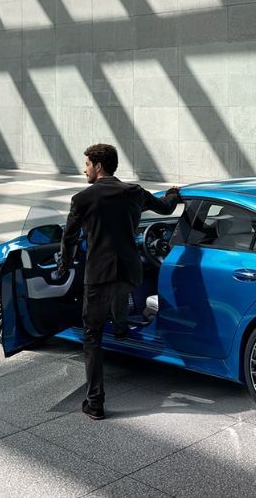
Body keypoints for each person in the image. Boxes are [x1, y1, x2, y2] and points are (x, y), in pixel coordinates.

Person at [57, 143, 180, 420]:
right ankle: (122, 327)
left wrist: (64, 264)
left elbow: (69, 238)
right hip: (129, 271)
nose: (84, 169)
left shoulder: (82, 199)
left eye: (86, 164)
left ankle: (95, 402)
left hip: (99, 274)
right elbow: (164, 208)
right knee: (121, 292)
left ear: (98, 166)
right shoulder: (134, 192)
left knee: (92, 335)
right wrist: (173, 194)